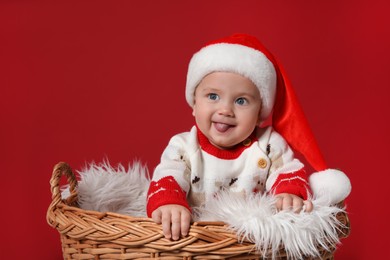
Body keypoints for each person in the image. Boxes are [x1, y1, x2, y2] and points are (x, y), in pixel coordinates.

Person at [146, 34, 329, 241]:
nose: (225, 110)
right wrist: (170, 203)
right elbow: (169, 175)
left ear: (260, 112)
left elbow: (287, 171)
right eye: (213, 96)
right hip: (195, 240)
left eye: (241, 101)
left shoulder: (268, 145)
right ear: (194, 105)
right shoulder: (184, 146)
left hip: (250, 242)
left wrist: (288, 195)